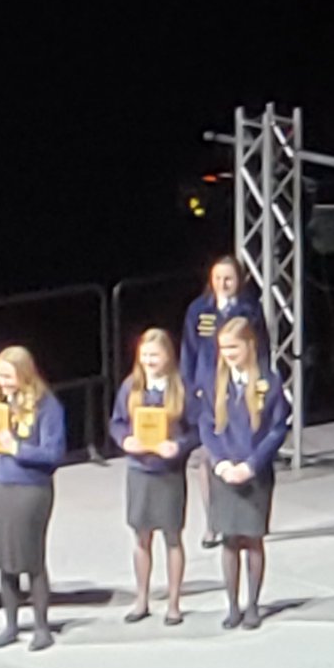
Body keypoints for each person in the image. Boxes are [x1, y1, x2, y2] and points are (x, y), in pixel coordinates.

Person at [199, 316, 289, 630]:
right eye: (223, 348)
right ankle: (232, 606)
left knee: (252, 539)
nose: (228, 354)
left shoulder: (269, 381)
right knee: (229, 540)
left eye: (234, 347)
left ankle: (252, 605)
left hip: (255, 473)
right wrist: (221, 464)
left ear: (250, 345)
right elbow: (207, 427)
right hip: (224, 473)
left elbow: (277, 429)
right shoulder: (215, 383)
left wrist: (251, 465)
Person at [109, 328, 199, 625]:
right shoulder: (131, 387)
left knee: (172, 537)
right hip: (139, 471)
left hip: (168, 473)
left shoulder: (181, 387)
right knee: (141, 537)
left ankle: (174, 603)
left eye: (154, 355)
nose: (149, 361)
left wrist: (178, 446)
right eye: (144, 355)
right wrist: (125, 440)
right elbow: (117, 423)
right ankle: (141, 599)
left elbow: (197, 430)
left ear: (167, 356)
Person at [180, 255, 269, 551]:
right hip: (206, 393)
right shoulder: (198, 309)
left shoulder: (250, 310)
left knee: (240, 452)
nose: (222, 284)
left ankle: (247, 521)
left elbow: (263, 349)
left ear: (239, 281)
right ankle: (212, 523)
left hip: (239, 393)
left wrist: (261, 385)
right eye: (217, 278)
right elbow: (188, 352)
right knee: (208, 456)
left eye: (228, 278)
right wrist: (188, 387)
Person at [0, 346, 66, 651]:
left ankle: (42, 628)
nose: (0, 381)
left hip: (31, 489)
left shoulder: (47, 406)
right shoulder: (0, 402)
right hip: (2, 485)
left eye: (7, 375)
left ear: (24, 373)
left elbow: (53, 453)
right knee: (4, 559)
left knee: (31, 559)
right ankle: (12, 625)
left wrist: (15, 448)